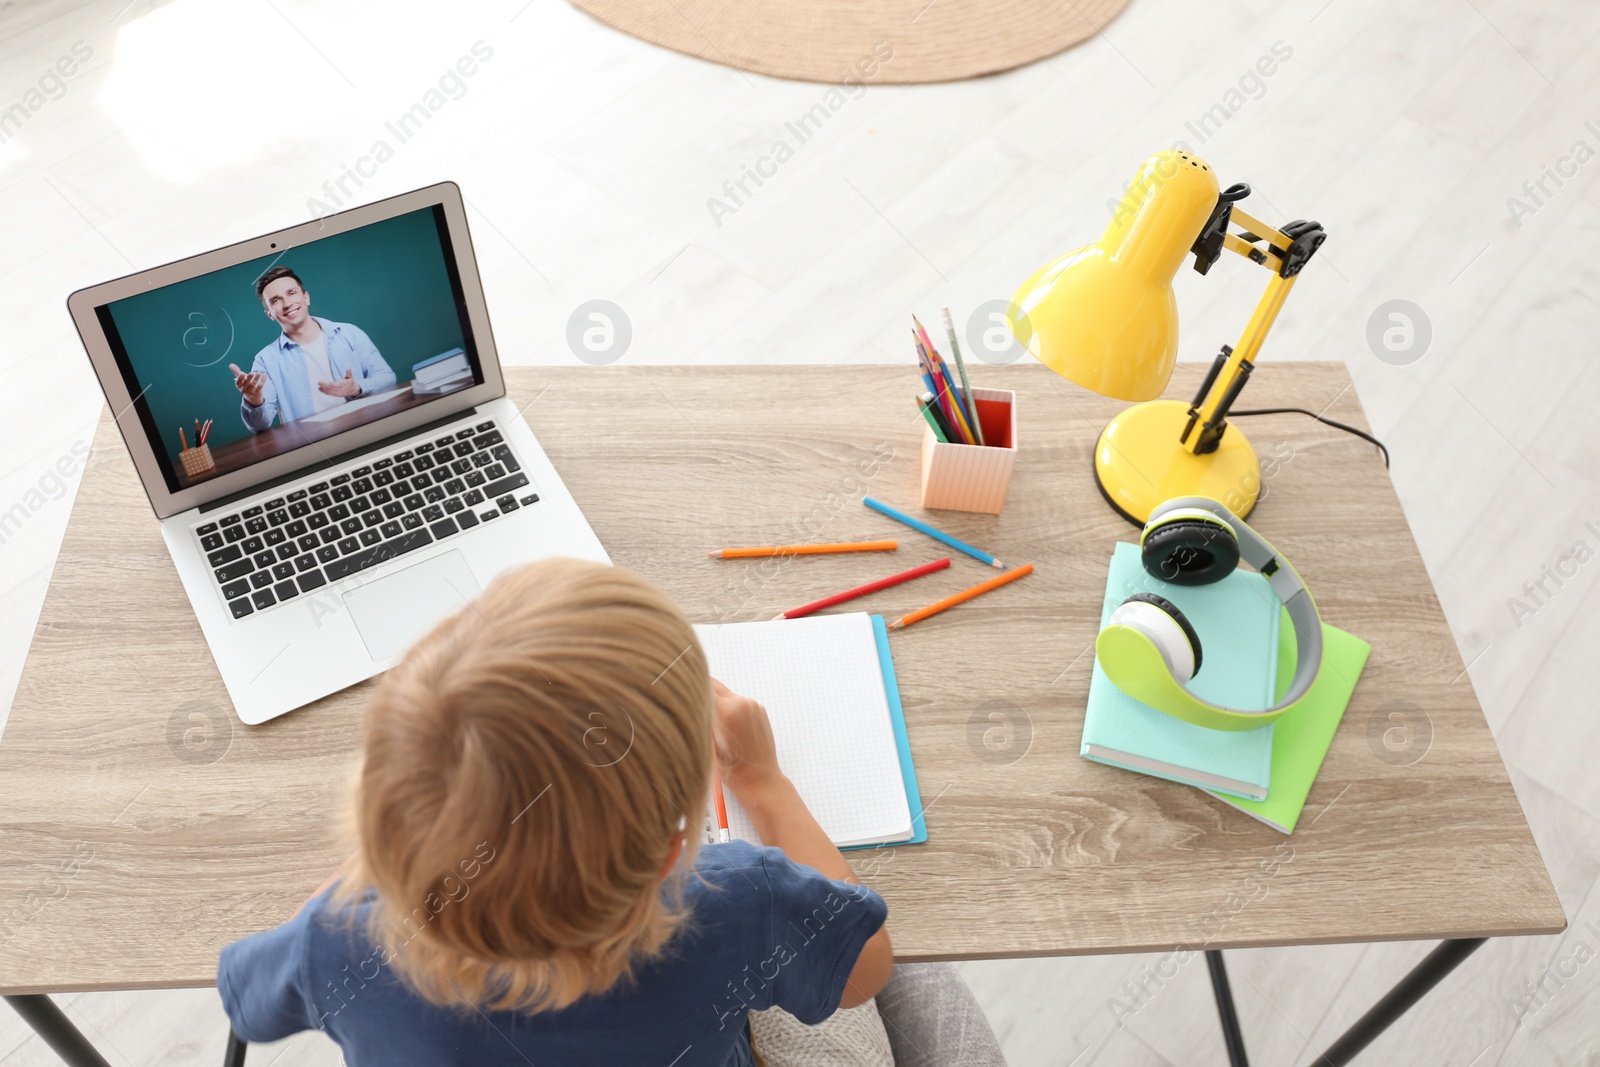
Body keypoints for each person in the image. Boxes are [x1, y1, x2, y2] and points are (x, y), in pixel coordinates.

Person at [215, 559, 898, 1065]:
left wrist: (398, 865)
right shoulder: (740, 900)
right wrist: (763, 779)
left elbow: (242, 999)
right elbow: (866, 966)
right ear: (666, 854)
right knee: (919, 982)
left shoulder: (339, 944)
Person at [229, 266, 395, 432]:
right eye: (275, 300)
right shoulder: (265, 360)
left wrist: (357, 388)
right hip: (313, 446)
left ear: (306, 298)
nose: (287, 304)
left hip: (368, 430)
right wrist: (253, 399)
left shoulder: (349, 333)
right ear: (269, 314)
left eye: (291, 293)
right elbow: (259, 426)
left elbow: (387, 378)